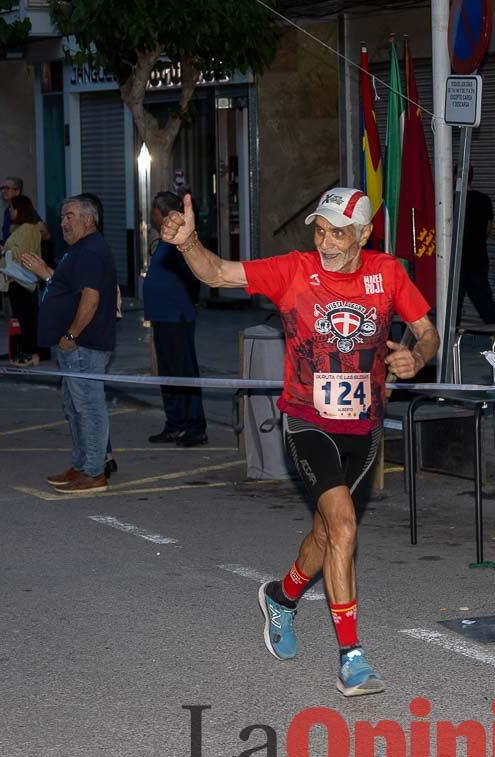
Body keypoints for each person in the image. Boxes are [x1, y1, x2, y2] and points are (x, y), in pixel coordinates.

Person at [161, 187, 438, 697]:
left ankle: (281, 598)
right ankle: (352, 658)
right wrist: (188, 244)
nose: (326, 242)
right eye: (320, 230)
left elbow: (427, 331)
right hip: (308, 421)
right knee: (345, 524)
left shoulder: (388, 273)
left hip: (364, 427)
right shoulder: (294, 270)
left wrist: (416, 358)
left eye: (338, 232)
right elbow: (219, 272)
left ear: (364, 233)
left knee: (328, 535)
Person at [20, 194, 117, 494]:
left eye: (69, 216)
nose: (63, 222)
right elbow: (68, 290)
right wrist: (45, 274)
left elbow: (91, 298)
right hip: (75, 345)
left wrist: (72, 335)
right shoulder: (79, 250)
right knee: (74, 406)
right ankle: (82, 464)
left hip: (83, 344)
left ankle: (93, 471)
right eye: (62, 216)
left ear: (89, 219)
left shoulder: (90, 250)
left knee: (88, 406)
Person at [144, 191, 207, 446]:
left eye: (152, 211)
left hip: (176, 316)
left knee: (184, 372)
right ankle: (175, 424)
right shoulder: (164, 240)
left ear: (159, 213)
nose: (151, 215)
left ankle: (195, 427)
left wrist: (191, 301)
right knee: (168, 373)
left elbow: (192, 274)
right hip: (162, 316)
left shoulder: (180, 239)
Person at [0, 194, 44, 366]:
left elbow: (21, 253)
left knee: (26, 319)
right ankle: (28, 351)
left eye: (12, 208)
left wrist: (4, 251)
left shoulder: (26, 229)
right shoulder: (26, 229)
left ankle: (30, 353)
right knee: (25, 318)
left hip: (21, 279)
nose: (9, 211)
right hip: (20, 279)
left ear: (19, 210)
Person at [455, 171, 495, 326]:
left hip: (457, 259)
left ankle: (451, 339)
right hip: (478, 257)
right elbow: (488, 228)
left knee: (453, 303)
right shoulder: (484, 200)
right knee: (484, 300)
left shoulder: (452, 201)